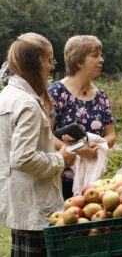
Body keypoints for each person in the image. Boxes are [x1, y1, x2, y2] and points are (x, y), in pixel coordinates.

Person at [0, 33, 75, 256]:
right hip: (35, 203)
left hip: (20, 198)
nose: (52, 67)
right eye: (49, 60)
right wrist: (61, 159)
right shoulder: (27, 104)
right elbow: (23, 158)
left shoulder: (7, 95)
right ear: (36, 63)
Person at [48, 35, 116, 199]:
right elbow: (45, 135)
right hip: (62, 183)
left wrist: (94, 147)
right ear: (78, 61)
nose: (101, 60)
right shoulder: (56, 93)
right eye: (95, 56)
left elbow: (111, 135)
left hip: (94, 181)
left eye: (100, 55)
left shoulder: (101, 96)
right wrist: (77, 150)